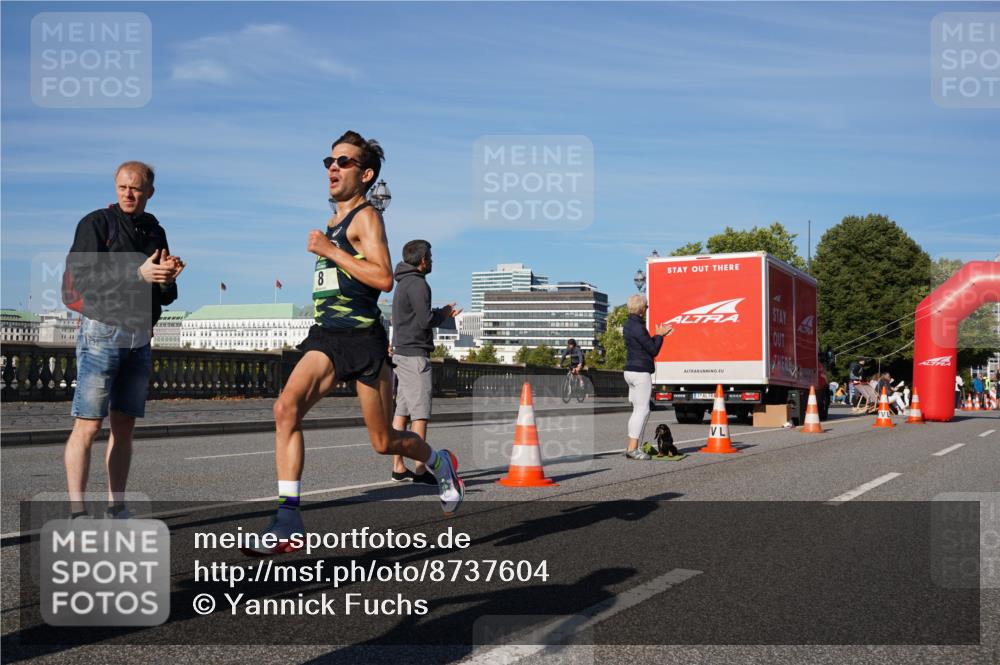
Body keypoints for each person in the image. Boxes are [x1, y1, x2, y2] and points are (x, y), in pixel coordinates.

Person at [248, 132, 463, 555]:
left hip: (362, 339)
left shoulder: (366, 217)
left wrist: (330, 250)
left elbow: (383, 278)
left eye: (344, 162)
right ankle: (288, 520)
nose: (333, 167)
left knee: (384, 442)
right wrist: (330, 247)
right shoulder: (334, 221)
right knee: (284, 407)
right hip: (327, 335)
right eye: (330, 159)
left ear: (365, 175)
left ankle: (440, 464)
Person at [63, 161, 185, 518]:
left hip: (139, 335)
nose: (128, 194)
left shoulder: (154, 230)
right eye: (122, 187)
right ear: (116, 188)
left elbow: (165, 296)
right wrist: (138, 272)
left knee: (124, 425)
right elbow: (81, 279)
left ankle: (117, 508)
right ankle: (77, 513)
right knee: (88, 423)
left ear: (149, 191)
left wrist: (167, 277)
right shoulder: (96, 223)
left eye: (135, 188)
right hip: (103, 330)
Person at [388, 239, 460, 484]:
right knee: (420, 414)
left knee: (402, 412)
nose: (431, 260)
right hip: (415, 356)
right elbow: (425, 320)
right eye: (429, 256)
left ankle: (398, 467)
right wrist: (444, 313)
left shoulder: (402, 283)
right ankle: (420, 469)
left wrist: (442, 312)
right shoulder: (419, 284)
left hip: (401, 352)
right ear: (422, 260)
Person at [622, 294, 672, 460]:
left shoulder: (628, 325)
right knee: (642, 410)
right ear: (642, 308)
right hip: (640, 372)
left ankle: (630, 446)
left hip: (629, 370)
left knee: (636, 410)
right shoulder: (638, 327)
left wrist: (656, 336)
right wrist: (660, 335)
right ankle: (633, 449)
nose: (647, 309)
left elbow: (642, 345)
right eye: (647, 306)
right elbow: (653, 350)